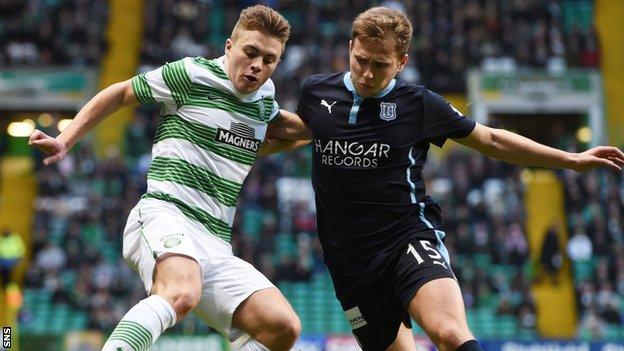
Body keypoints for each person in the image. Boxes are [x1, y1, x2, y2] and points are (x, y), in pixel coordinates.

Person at [261, 6, 624, 351]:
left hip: (405, 238)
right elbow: (301, 135)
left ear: (402, 63)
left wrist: (570, 159)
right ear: (349, 48)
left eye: (381, 65)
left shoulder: (419, 103)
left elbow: (491, 138)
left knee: (450, 334)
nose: (367, 73)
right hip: (348, 260)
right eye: (361, 61)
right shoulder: (316, 91)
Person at [29, 5, 308, 351]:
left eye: (269, 59)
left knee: (282, 326)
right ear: (229, 46)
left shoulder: (264, 104)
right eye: (250, 52)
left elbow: (297, 131)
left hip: (216, 243)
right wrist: (66, 138)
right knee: (181, 292)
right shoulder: (191, 74)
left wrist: (339, 124)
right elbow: (121, 93)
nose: (257, 66)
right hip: (165, 213)